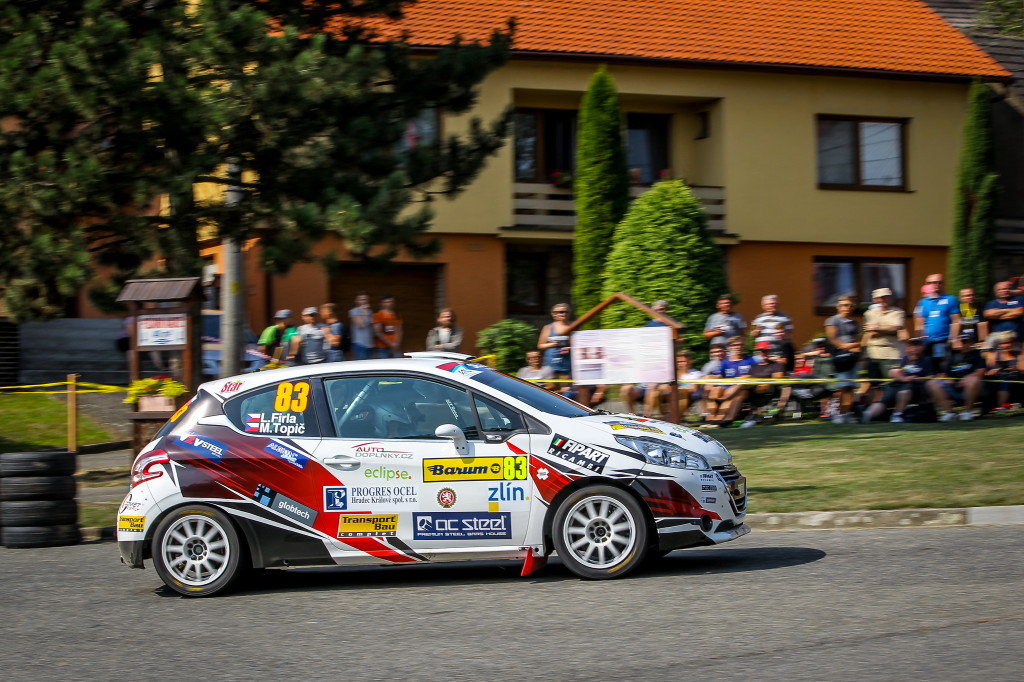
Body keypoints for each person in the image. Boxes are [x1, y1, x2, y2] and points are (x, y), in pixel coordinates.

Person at [863, 337, 935, 424]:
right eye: (912, 346)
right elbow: (892, 372)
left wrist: (916, 379)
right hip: (897, 384)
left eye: (917, 345)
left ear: (922, 347)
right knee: (883, 402)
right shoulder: (902, 359)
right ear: (907, 348)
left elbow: (930, 376)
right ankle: (867, 415)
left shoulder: (927, 360)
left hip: (915, 387)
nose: (914, 348)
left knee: (904, 392)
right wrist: (905, 379)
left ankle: (897, 415)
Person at [861, 288, 905, 405]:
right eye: (880, 297)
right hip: (873, 353)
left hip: (891, 353)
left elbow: (895, 328)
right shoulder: (868, 314)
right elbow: (869, 331)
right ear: (874, 299)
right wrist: (886, 329)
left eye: (886, 297)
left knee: (893, 383)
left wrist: (877, 327)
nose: (883, 299)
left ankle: (892, 410)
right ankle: (876, 410)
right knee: (875, 384)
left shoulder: (898, 312)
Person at [929, 334, 986, 421]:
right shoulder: (952, 356)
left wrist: (967, 378)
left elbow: (980, 372)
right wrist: (947, 379)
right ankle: (950, 412)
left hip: (970, 386)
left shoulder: (977, 355)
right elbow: (943, 374)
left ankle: (967, 412)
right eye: (962, 342)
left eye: (966, 342)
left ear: (971, 343)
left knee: (973, 380)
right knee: (932, 383)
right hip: (953, 386)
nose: (964, 345)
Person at [914, 273, 961, 373]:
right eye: (933, 282)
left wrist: (954, 338)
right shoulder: (922, 302)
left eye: (939, 282)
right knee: (929, 371)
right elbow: (919, 324)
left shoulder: (950, 299)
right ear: (927, 284)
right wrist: (919, 341)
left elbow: (956, 320)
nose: (936, 284)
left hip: (944, 341)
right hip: (927, 342)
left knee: (943, 370)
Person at [824, 296, 861, 424]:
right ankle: (838, 413)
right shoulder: (831, 320)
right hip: (839, 358)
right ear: (838, 307)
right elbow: (833, 340)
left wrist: (855, 348)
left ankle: (847, 413)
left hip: (853, 358)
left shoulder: (854, 323)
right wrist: (848, 346)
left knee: (850, 387)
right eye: (845, 305)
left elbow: (857, 340)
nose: (848, 307)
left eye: (850, 305)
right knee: (842, 387)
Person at [705, 337, 754, 427]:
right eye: (735, 345)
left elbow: (755, 374)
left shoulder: (750, 360)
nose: (738, 347)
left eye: (740, 345)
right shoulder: (725, 362)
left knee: (741, 389)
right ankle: (716, 419)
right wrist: (709, 377)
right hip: (728, 390)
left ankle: (728, 418)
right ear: (729, 347)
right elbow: (720, 375)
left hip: (745, 389)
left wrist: (740, 380)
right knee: (715, 389)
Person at [738, 342, 788, 427]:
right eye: (760, 351)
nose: (762, 353)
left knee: (785, 386)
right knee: (741, 387)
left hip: (770, 389)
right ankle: (742, 415)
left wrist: (763, 383)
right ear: (757, 353)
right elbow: (749, 378)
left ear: (769, 352)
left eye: (765, 351)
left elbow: (777, 378)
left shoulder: (776, 365)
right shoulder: (753, 366)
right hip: (753, 390)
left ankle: (774, 412)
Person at [646, 351, 705, 419]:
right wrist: (662, 387)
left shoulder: (695, 373)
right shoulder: (672, 373)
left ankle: (675, 417)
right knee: (654, 392)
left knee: (682, 391)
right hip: (669, 394)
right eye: (679, 362)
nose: (682, 364)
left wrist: (678, 389)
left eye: (684, 361)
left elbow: (694, 389)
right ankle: (650, 416)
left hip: (684, 396)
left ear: (689, 361)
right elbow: (664, 386)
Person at [750, 294, 794, 370]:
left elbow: (790, 334)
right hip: (762, 355)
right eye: (770, 304)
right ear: (763, 305)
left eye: (775, 303)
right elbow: (752, 334)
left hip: (777, 355)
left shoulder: (784, 317)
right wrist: (756, 332)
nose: (773, 305)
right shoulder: (758, 318)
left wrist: (783, 334)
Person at [984, 331, 1022, 412]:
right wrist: (993, 371)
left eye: (1008, 342)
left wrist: (1016, 369)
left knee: (1005, 380)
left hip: (1016, 379)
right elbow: (987, 372)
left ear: (1013, 342)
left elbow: (1021, 368)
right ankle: (999, 408)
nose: (1005, 345)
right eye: (1002, 343)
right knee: (1003, 380)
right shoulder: (993, 355)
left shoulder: (1019, 354)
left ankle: (1001, 408)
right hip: (999, 379)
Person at [982, 281, 1023, 349]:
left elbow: (1019, 312)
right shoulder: (991, 303)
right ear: (997, 292)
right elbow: (988, 314)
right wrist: (1008, 310)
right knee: (986, 351)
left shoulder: (1018, 300)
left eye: (1007, 288)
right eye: (1002, 289)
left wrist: (998, 315)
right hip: (997, 337)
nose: (1005, 290)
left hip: (1015, 337)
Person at [538, 303, 573, 376]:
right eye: (561, 312)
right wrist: (551, 344)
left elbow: (578, 345)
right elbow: (540, 345)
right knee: (550, 386)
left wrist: (570, 348)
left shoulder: (573, 326)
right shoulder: (548, 327)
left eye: (566, 312)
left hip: (566, 363)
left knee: (565, 386)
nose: (563, 314)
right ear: (554, 314)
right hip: (550, 363)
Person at [348, 292, 374, 360]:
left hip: (370, 344)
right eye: (361, 299)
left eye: (365, 299)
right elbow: (360, 325)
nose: (364, 301)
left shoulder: (370, 312)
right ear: (357, 301)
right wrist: (363, 311)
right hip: (359, 344)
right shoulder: (353, 311)